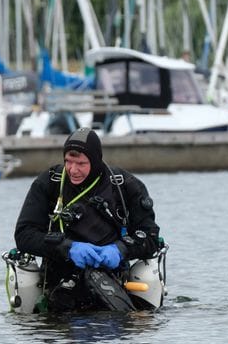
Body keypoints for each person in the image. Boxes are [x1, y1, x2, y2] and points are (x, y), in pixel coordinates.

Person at [14, 127, 161, 312]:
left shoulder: (125, 185)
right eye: (68, 161)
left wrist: (121, 250)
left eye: (81, 163)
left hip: (113, 284)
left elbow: (151, 237)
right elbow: (24, 234)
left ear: (95, 160)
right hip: (59, 282)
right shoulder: (49, 183)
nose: (73, 170)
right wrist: (67, 248)